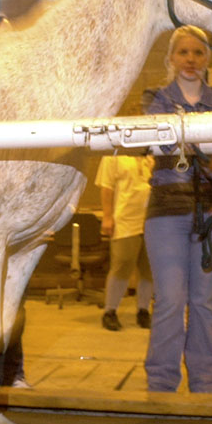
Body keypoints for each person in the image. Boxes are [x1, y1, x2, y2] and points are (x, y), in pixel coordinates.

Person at [142, 25, 212, 393]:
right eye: (183, 52)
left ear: (207, 60)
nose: (190, 60)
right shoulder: (154, 97)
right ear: (170, 59)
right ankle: (161, 385)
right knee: (169, 300)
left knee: (205, 302)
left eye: (198, 53)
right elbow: (158, 145)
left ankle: (205, 383)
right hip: (166, 212)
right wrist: (205, 147)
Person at [95, 140, 154, 331]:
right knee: (122, 265)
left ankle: (143, 311)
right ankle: (110, 311)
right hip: (125, 220)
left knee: (149, 269)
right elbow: (106, 187)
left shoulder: (151, 152)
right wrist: (107, 217)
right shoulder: (114, 154)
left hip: (152, 221)